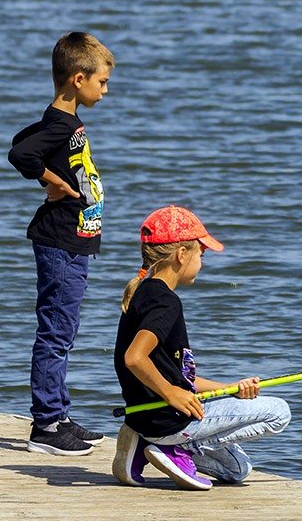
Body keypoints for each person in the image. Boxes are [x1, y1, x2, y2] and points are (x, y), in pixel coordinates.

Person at [112, 205, 291, 490]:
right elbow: (134, 358)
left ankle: (145, 440)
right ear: (181, 255)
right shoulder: (165, 303)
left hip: (148, 416)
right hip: (170, 420)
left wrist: (231, 388)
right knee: (279, 412)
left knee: (237, 470)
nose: (202, 262)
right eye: (201, 254)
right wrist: (170, 393)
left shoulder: (143, 293)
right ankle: (175, 448)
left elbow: (180, 378)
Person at [7, 32, 113, 455]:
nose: (105, 90)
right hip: (61, 243)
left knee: (64, 331)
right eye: (102, 82)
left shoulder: (62, 123)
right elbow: (20, 156)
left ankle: (59, 414)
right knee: (56, 332)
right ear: (78, 79)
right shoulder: (60, 125)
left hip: (74, 243)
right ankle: (47, 426)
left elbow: (20, 141)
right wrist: (52, 182)